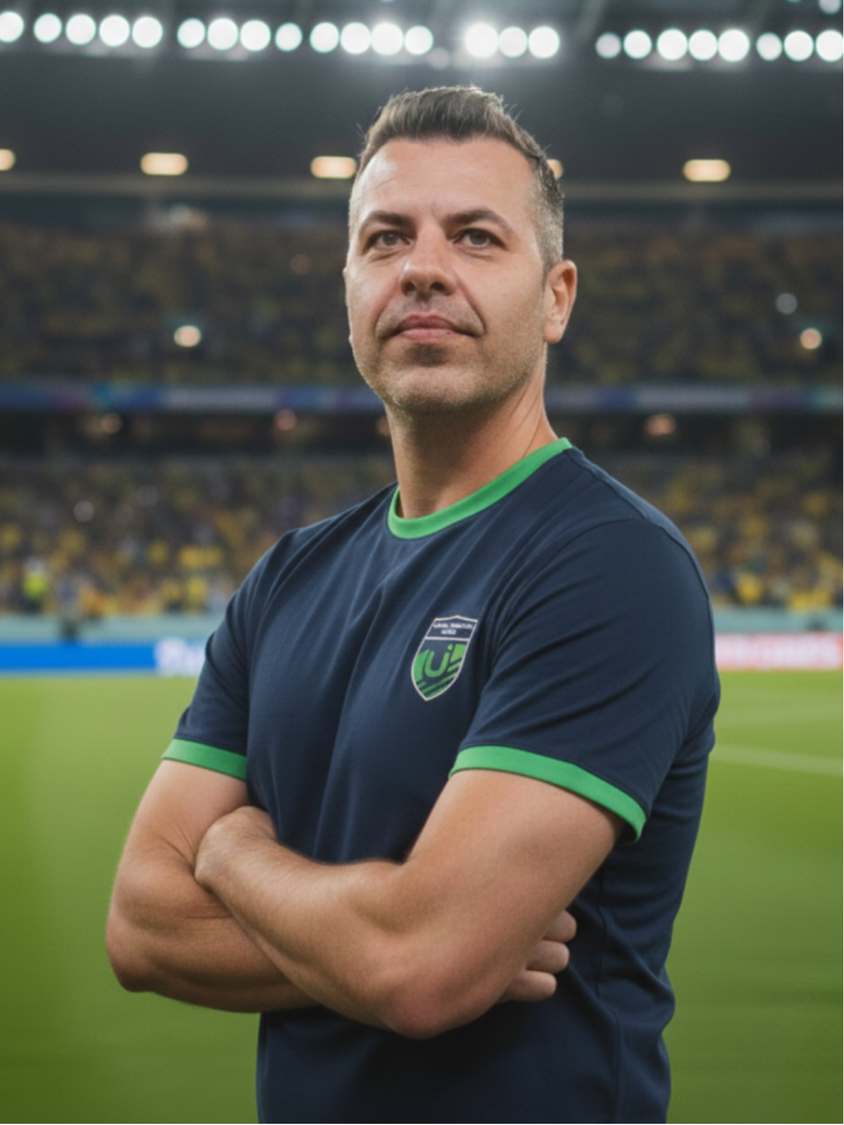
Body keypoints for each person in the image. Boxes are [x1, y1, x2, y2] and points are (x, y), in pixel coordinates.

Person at [107, 86, 720, 1123]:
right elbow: (141, 926)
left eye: (476, 236)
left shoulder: (610, 562)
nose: (422, 267)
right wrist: (391, 943)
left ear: (557, 296)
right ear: (349, 285)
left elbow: (421, 968)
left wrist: (235, 853)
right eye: (386, 237)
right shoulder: (287, 577)